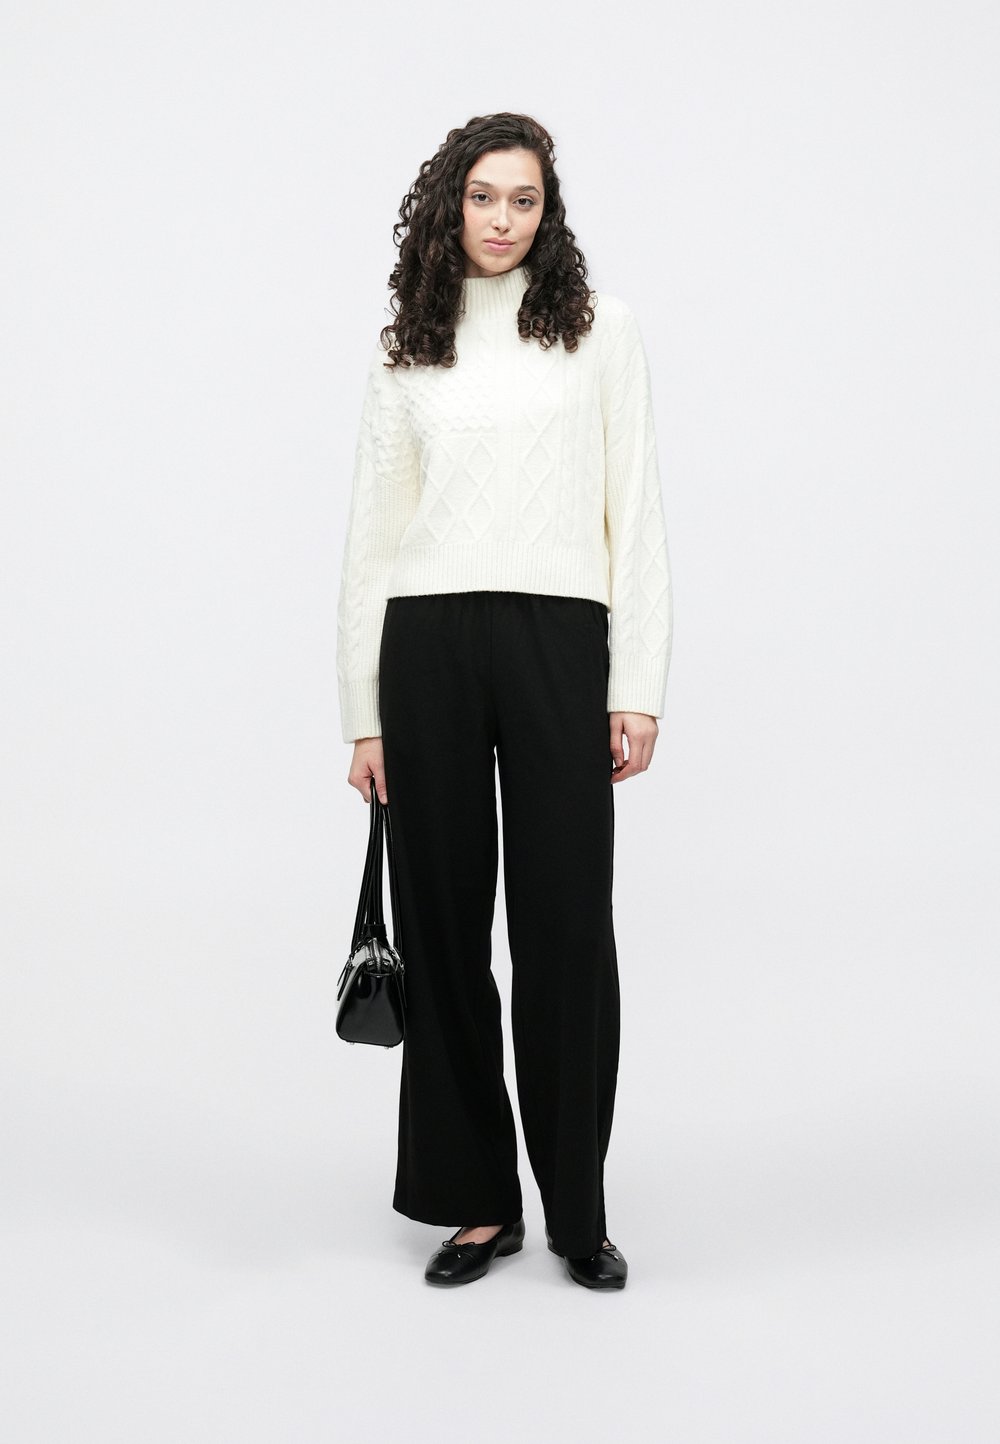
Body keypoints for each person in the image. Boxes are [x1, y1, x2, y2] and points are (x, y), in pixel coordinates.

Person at [335, 112, 673, 1291]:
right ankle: (477, 1201)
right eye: (483, 196)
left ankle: (576, 1208)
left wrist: (637, 685)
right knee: (440, 925)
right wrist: (363, 712)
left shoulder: (599, 330)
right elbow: (371, 539)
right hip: (425, 644)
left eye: (523, 200)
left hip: (556, 641)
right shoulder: (410, 343)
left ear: (547, 212)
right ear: (449, 205)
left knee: (566, 926)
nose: (501, 219)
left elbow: (636, 510)